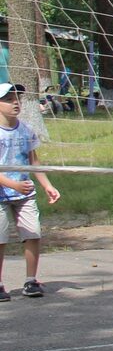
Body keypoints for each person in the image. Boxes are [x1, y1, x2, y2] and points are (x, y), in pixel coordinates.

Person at [0, 82, 60, 301]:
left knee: (33, 233)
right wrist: (12, 184)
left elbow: (34, 160)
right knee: (0, 239)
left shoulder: (25, 129)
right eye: (8, 99)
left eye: (17, 99)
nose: (15, 103)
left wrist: (47, 185)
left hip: (24, 194)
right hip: (2, 194)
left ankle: (30, 280)